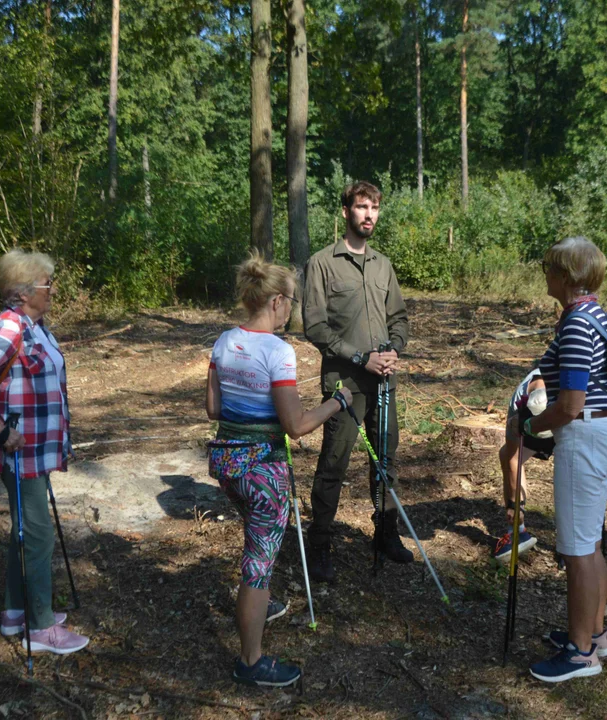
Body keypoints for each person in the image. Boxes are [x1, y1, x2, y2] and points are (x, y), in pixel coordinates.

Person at [206, 253, 352, 688]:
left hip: (227, 463)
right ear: (275, 301)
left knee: (256, 545)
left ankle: (258, 602)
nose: (292, 308)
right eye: (291, 300)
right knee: (258, 563)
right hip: (262, 471)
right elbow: (296, 426)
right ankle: (250, 661)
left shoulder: (223, 341)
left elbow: (213, 407)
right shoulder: (277, 351)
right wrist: (336, 402)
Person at [0, 249, 89, 655]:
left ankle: (16, 612)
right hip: (20, 453)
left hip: (37, 451)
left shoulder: (35, 327)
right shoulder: (11, 328)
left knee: (24, 532)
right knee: (38, 534)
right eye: (48, 285)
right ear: (23, 292)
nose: (53, 291)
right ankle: (42, 627)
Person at [521, 237, 607, 683]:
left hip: (582, 436)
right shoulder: (591, 316)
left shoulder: (578, 324)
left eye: (549, 267)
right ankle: (593, 633)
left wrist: (532, 427)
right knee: (591, 544)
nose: (544, 273)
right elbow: (556, 371)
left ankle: (581, 654)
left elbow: (571, 402)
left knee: (578, 551)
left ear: (566, 276)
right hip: (601, 433)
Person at [301, 180, 411, 583]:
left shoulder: (383, 264)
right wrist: (361, 357)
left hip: (384, 384)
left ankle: (386, 535)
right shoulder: (322, 263)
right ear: (345, 211)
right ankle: (320, 546)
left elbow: (398, 318)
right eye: (362, 207)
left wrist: (394, 350)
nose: (369, 215)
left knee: (387, 463)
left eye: (375, 208)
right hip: (345, 385)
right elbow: (314, 326)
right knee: (333, 465)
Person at [493, 369, 553, 563]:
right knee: (506, 454)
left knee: (568, 472)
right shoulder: (518, 405)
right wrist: (514, 508)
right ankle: (518, 532)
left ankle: (572, 544)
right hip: (531, 423)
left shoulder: (568, 393)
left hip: (567, 418)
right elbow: (513, 457)